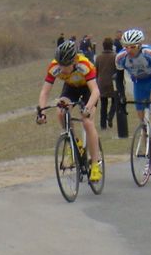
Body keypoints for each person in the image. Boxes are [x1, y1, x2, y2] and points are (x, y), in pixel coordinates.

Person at [36, 41, 103, 182]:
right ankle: (74, 141)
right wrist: (41, 111)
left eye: (66, 65)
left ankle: (95, 164)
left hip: (88, 90)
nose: (63, 68)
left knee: (87, 123)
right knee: (60, 111)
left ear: (74, 60)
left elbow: (96, 91)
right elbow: (44, 92)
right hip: (71, 88)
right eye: (60, 65)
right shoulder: (54, 67)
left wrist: (87, 108)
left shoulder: (84, 65)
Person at [115, 28, 151, 148]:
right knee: (141, 118)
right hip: (139, 83)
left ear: (140, 45)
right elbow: (119, 79)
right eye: (126, 46)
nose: (129, 50)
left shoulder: (149, 53)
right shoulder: (120, 57)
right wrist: (122, 96)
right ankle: (149, 139)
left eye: (133, 47)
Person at [94, 37, 118, 130]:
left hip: (101, 83)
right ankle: (110, 116)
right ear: (111, 46)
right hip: (113, 83)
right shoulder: (115, 57)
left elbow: (96, 71)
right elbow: (118, 70)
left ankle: (103, 125)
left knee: (103, 104)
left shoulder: (99, 57)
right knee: (115, 101)